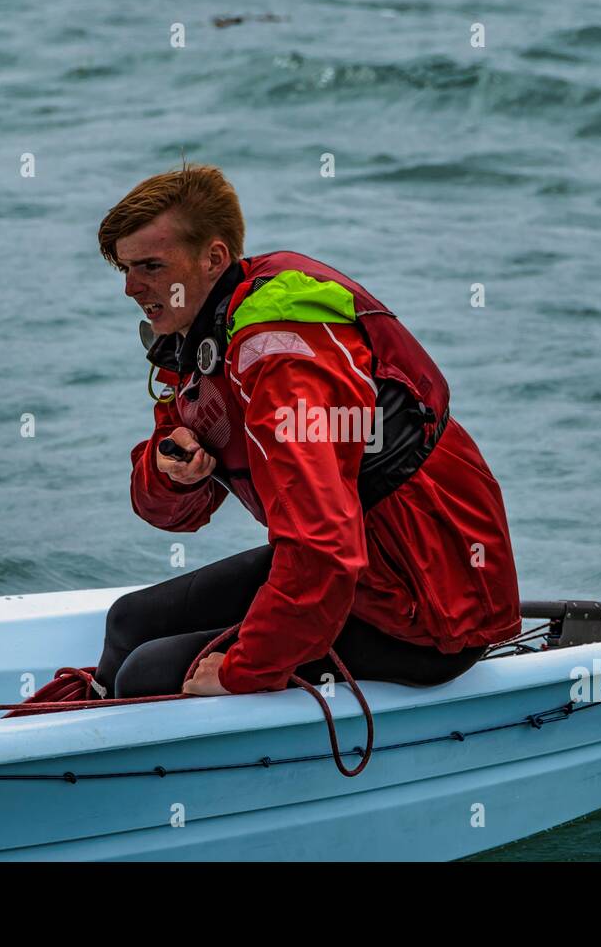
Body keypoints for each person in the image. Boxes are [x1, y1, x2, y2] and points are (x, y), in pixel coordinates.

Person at [95, 163, 520, 699]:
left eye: (150, 267)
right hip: (357, 566)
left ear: (214, 258)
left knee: (150, 675)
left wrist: (241, 672)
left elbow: (324, 551)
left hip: (428, 608)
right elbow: (170, 514)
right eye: (126, 270)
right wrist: (171, 476)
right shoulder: (200, 334)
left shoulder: (281, 355)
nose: (132, 288)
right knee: (127, 623)